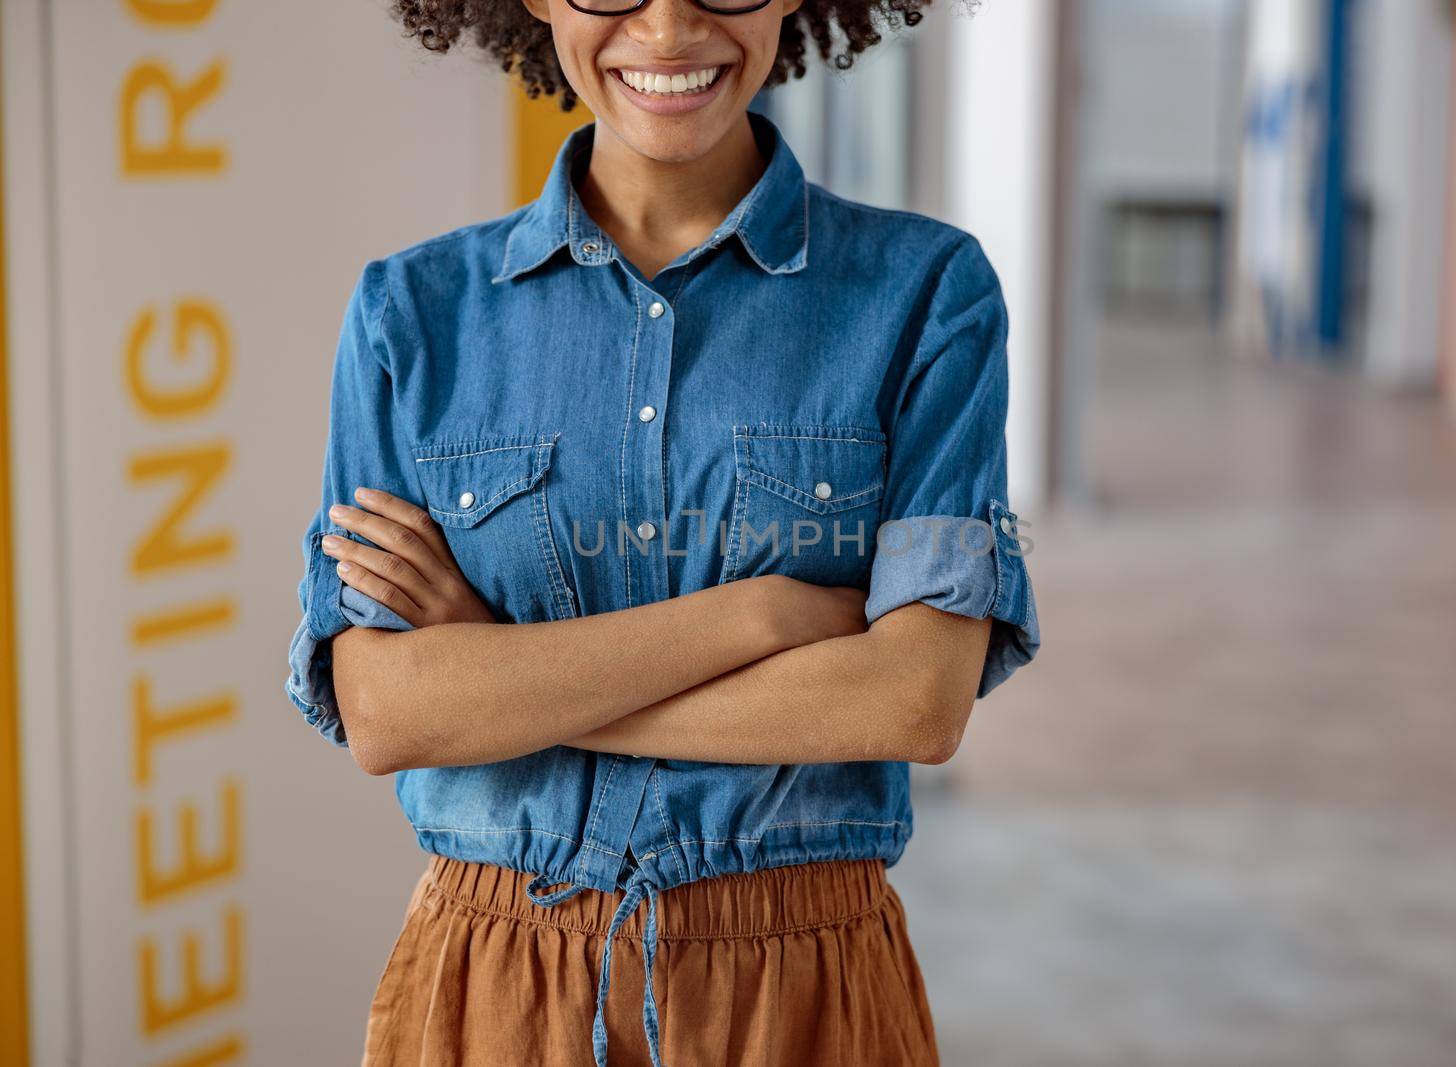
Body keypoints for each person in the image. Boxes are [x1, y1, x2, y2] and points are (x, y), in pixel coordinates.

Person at [283, 0, 1041, 1063]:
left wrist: (502, 681)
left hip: (803, 986)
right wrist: (761, 614)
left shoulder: (922, 295)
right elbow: (387, 712)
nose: (671, 23)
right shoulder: (411, 315)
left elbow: (912, 700)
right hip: (492, 987)